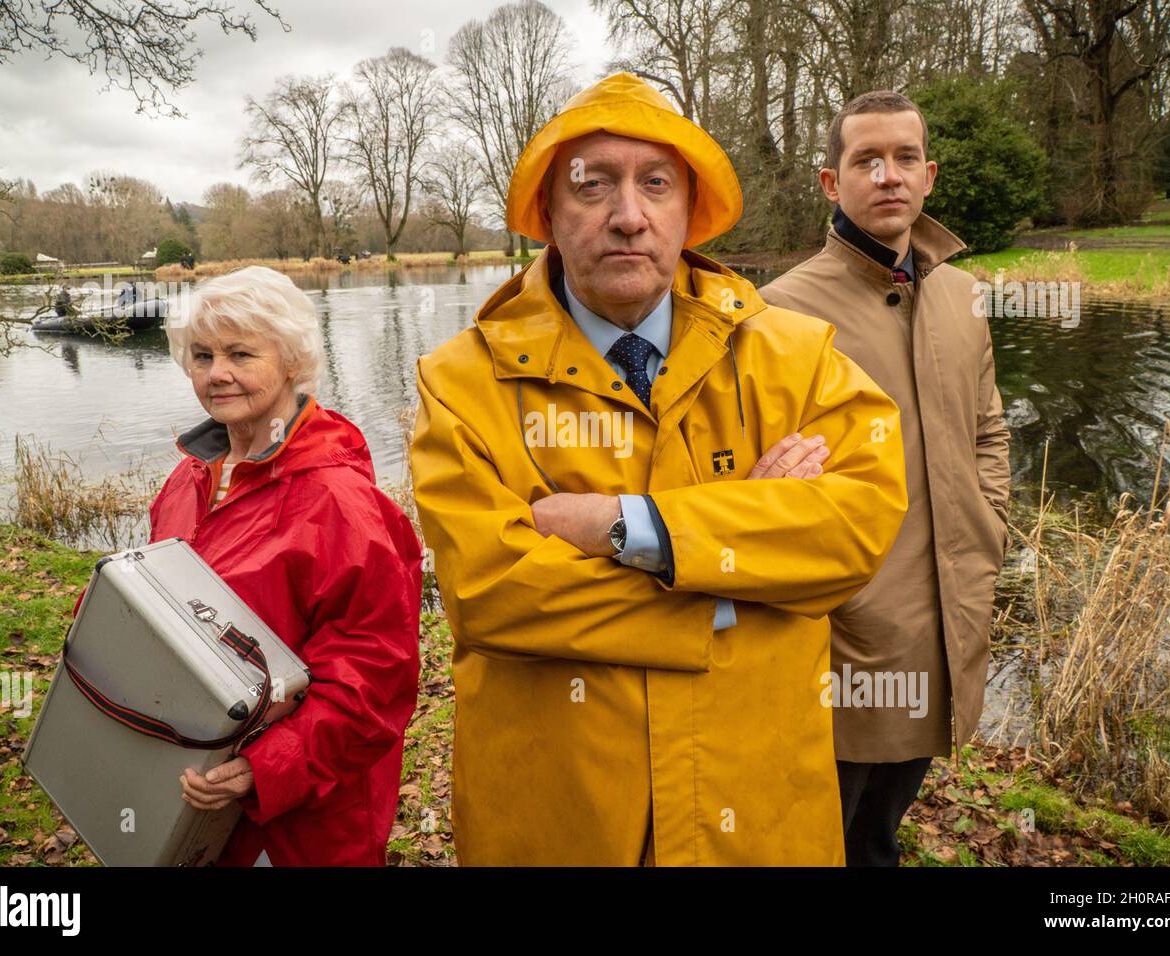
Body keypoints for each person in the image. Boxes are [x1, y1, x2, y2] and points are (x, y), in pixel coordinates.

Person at [410, 73, 909, 866]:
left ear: (689, 210)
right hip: (559, 816)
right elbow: (490, 593)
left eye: (655, 185)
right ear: (548, 212)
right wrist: (732, 582)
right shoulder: (463, 382)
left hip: (751, 803)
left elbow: (857, 528)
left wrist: (627, 527)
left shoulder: (794, 355)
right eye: (592, 186)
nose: (628, 216)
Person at [760, 91, 1012, 866]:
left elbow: (989, 430)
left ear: (929, 175)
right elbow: (762, 489)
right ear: (832, 183)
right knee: (814, 832)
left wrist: (987, 528)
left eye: (905, 158)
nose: (889, 175)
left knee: (884, 827)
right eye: (866, 159)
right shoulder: (780, 313)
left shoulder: (964, 295)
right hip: (848, 634)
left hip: (950, 613)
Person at [149, 264, 422, 865]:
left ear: (292, 361)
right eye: (201, 355)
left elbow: (374, 678)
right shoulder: (188, 478)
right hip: (194, 787)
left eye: (241, 354)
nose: (217, 374)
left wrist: (262, 769)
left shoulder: (339, 503)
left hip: (303, 824)